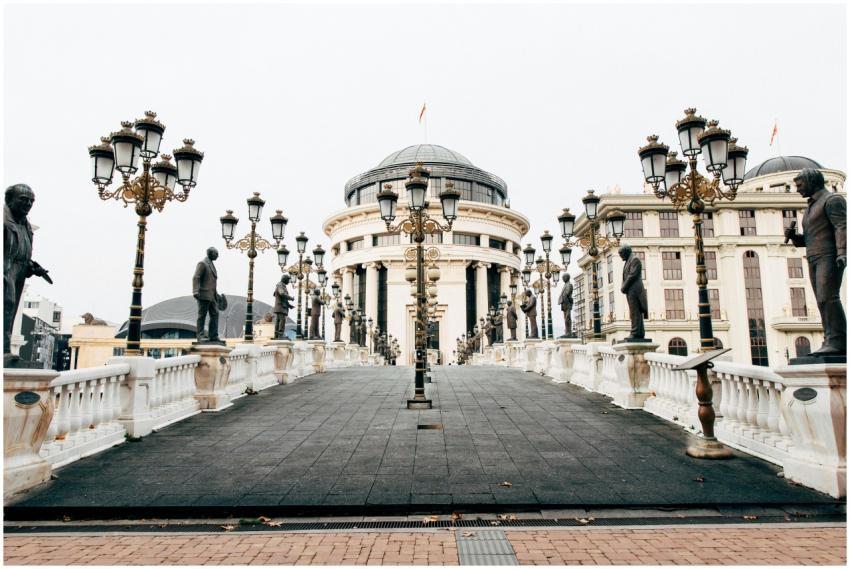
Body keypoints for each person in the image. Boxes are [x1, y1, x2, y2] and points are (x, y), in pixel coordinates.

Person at [785, 168, 846, 356]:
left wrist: (842, 252)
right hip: (813, 257)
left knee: (828, 298)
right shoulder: (811, 206)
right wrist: (796, 238)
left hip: (829, 255)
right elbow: (812, 237)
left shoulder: (832, 200)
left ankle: (838, 341)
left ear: (812, 181)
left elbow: (841, 226)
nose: (797, 189)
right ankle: (830, 339)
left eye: (800, 185)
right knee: (821, 300)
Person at [4, 184, 51, 363]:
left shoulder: (26, 226)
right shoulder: (4, 221)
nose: (28, 204)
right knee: (6, 307)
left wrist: (31, 266)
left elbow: (21, 252)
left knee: (11, 310)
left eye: (31, 201)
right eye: (23, 199)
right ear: (9, 199)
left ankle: (5, 351)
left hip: (18, 272)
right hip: (5, 271)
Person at [193, 247, 222, 343]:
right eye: (216, 254)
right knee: (202, 315)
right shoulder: (203, 264)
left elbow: (212, 282)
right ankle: (200, 335)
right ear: (210, 253)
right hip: (203, 294)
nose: (218, 256)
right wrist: (195, 291)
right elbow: (196, 277)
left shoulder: (211, 265)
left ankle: (213, 335)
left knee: (215, 314)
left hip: (212, 295)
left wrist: (216, 294)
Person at [619, 244, 648, 341]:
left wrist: (624, 287)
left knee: (635, 311)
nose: (620, 256)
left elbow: (632, 275)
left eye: (621, 253)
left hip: (635, 290)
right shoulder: (629, 260)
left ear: (626, 251)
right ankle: (638, 332)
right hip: (630, 290)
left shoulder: (634, 260)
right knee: (635, 311)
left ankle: (635, 333)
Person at [273, 274, 294, 339]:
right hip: (281, 306)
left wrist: (289, 305)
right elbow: (282, 293)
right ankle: (280, 334)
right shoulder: (280, 285)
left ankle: (277, 335)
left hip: (281, 305)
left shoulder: (282, 286)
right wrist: (290, 298)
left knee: (278, 320)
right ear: (285, 279)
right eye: (288, 280)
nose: (288, 281)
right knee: (282, 320)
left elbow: (283, 298)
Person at [558, 274, 574, 338]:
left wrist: (568, 303)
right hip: (564, 303)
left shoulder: (569, 285)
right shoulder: (565, 285)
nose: (563, 279)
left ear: (567, 277)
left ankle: (569, 332)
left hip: (567, 302)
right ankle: (567, 332)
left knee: (567, 318)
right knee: (565, 318)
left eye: (564, 277)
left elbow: (567, 293)